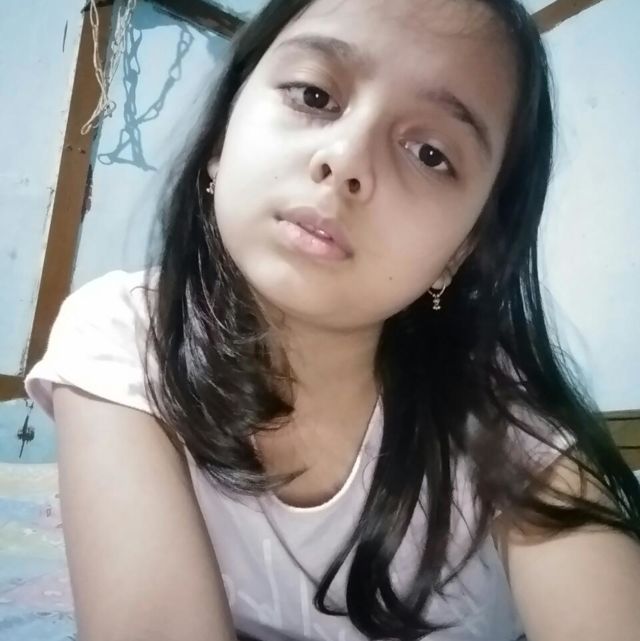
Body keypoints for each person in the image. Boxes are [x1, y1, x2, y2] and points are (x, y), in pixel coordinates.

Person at [25, 0, 640, 640]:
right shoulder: (126, 334)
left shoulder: (507, 423)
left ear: (460, 251)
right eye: (314, 95)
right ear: (219, 138)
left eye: (430, 152)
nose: (345, 159)